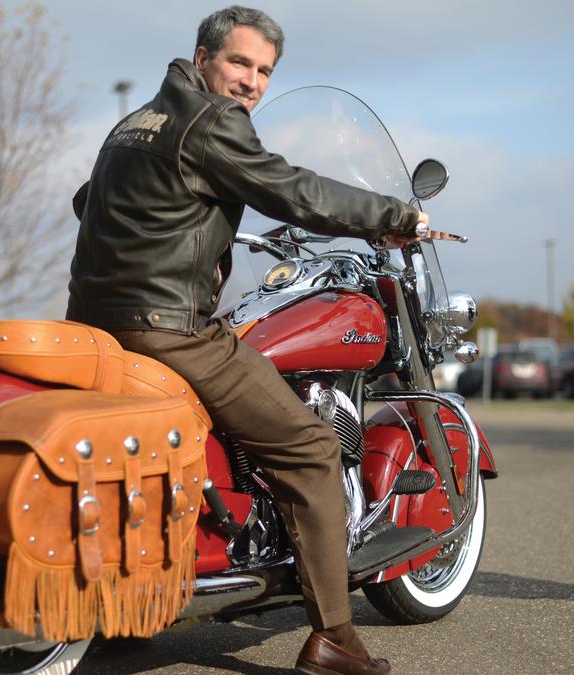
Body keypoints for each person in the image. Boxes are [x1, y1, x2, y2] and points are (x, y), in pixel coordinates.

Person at [67, 7, 430, 674]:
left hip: (91, 330)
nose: (252, 81)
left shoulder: (132, 125)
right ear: (202, 56)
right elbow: (292, 188)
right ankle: (335, 640)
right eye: (240, 62)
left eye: (265, 70)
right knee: (313, 448)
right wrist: (393, 217)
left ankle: (130, 607)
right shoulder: (211, 121)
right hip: (170, 332)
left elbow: (88, 202)